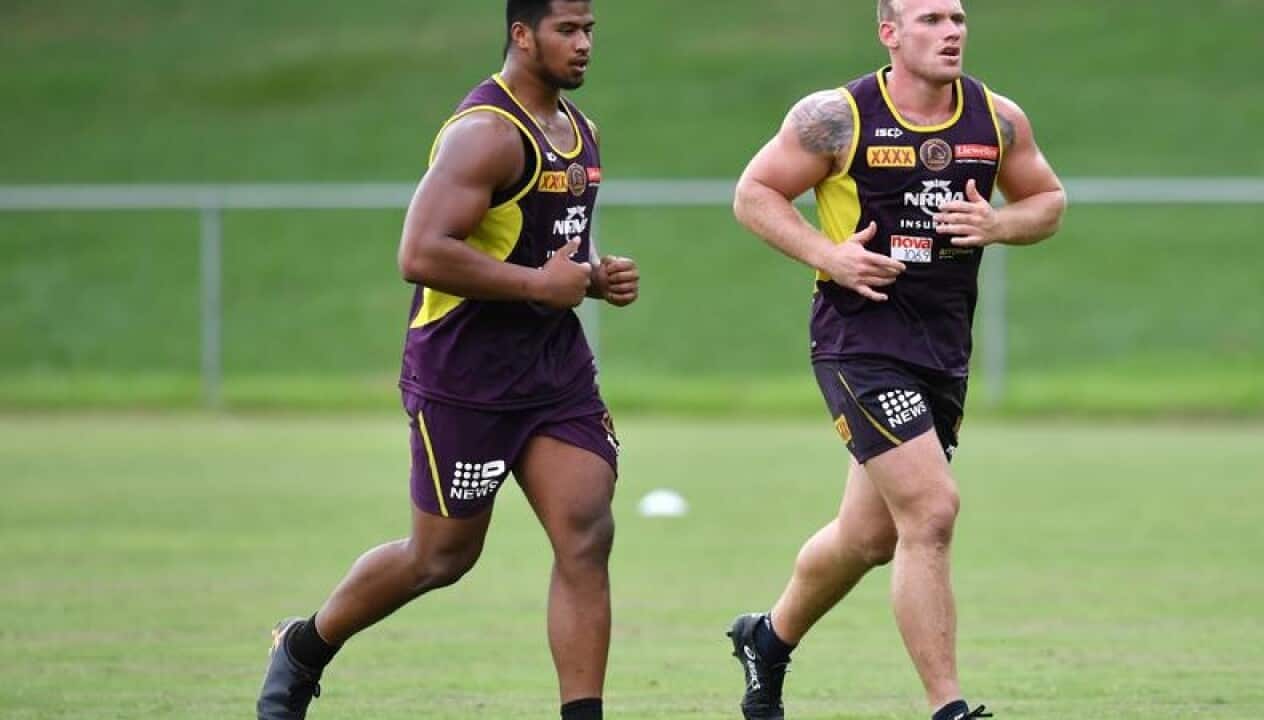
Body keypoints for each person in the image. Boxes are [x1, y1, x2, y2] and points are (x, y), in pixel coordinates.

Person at [255, 2, 637, 719]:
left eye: (590, 30)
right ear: (522, 34)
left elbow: (538, 248)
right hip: (465, 374)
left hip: (553, 371)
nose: (584, 45)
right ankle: (303, 647)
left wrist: (594, 276)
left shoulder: (581, 132)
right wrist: (540, 286)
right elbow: (421, 253)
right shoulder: (485, 135)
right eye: (568, 30)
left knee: (586, 532)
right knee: (441, 558)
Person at [727, 1, 1065, 718]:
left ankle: (768, 638)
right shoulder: (836, 117)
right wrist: (829, 255)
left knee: (871, 536)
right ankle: (949, 708)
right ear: (890, 32)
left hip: (942, 347)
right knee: (933, 509)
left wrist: (999, 223)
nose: (951, 32)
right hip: (859, 341)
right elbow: (754, 193)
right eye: (930, 19)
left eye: (958, 18)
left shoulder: (997, 118)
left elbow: (1049, 201)